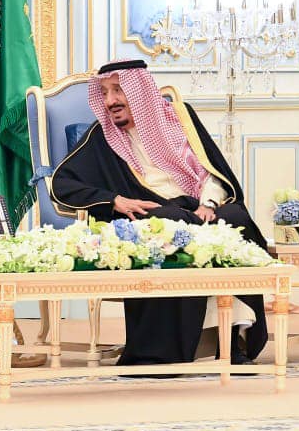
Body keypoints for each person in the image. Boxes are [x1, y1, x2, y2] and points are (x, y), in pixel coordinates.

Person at [49, 59, 269, 366]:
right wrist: (114, 200)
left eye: (118, 90)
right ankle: (161, 352)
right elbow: (61, 184)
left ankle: (232, 341)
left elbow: (212, 173)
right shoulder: (103, 137)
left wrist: (208, 204)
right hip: (156, 218)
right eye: (105, 93)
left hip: (197, 209)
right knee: (169, 223)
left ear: (139, 90)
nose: (110, 101)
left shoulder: (180, 119)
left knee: (235, 219)